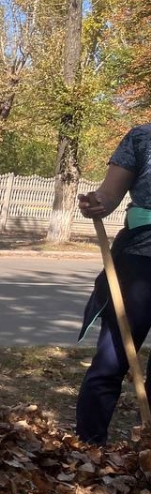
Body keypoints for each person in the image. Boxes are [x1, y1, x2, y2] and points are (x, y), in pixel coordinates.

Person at [75, 123, 151, 444]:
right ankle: (87, 450)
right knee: (112, 358)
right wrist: (98, 202)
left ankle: (144, 455)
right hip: (140, 258)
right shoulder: (142, 137)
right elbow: (108, 195)